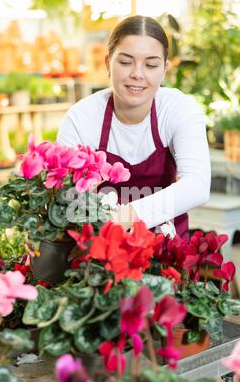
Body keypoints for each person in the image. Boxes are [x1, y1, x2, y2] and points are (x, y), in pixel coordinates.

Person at [57, 15, 211, 238]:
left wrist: (127, 216)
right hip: (99, 257)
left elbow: (197, 185)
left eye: (151, 64)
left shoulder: (179, 109)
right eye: (126, 62)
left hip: (167, 256)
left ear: (165, 69)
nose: (137, 74)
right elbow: (64, 197)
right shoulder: (81, 118)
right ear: (108, 63)